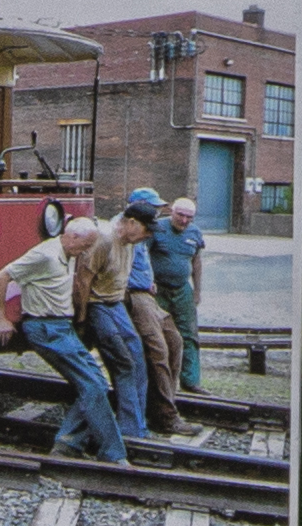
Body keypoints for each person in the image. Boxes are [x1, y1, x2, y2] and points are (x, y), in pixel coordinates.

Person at [0, 204, 124, 463]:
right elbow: (0, 277)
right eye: (84, 245)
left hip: (60, 327)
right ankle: (113, 455)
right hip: (45, 328)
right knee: (94, 384)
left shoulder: (68, 253)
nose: (85, 252)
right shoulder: (45, 255)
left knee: (94, 383)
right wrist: (0, 318)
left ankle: (69, 443)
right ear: (71, 236)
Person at [72, 201, 171, 448]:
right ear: (132, 223)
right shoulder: (105, 240)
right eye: (146, 230)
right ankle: (130, 428)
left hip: (115, 303)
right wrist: (82, 318)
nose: (148, 236)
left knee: (137, 356)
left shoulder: (130, 242)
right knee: (123, 361)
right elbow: (83, 281)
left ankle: (136, 422)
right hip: (97, 304)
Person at [105, 188, 188, 438]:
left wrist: (148, 280)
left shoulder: (141, 228)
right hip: (134, 295)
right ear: (137, 206)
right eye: (154, 207)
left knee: (175, 341)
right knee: (157, 349)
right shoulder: (121, 229)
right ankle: (165, 415)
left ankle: (162, 407)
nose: (158, 212)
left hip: (146, 293)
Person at [153, 192, 211, 397]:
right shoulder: (157, 228)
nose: (184, 220)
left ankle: (191, 380)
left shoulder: (194, 233)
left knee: (189, 334)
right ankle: (161, 382)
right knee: (158, 335)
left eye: (189, 217)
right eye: (180, 216)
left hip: (182, 289)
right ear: (172, 212)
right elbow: (141, 257)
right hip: (158, 290)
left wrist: (197, 290)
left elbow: (196, 261)